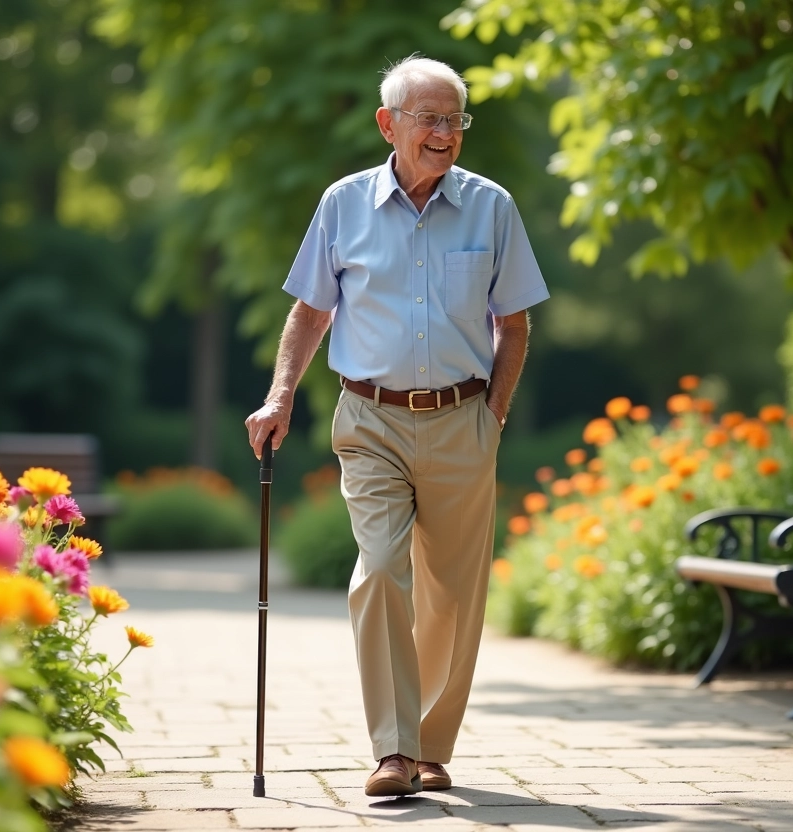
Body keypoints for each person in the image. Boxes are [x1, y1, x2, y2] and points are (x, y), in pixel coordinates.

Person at [245, 55, 548, 797]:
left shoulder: (492, 207)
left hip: (461, 419)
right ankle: (393, 749)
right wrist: (281, 395)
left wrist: (493, 416)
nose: (445, 133)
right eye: (431, 118)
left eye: (455, 120)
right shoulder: (344, 204)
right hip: (369, 418)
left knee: (451, 590)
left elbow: (514, 323)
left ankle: (432, 746)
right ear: (390, 124)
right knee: (380, 569)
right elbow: (311, 310)